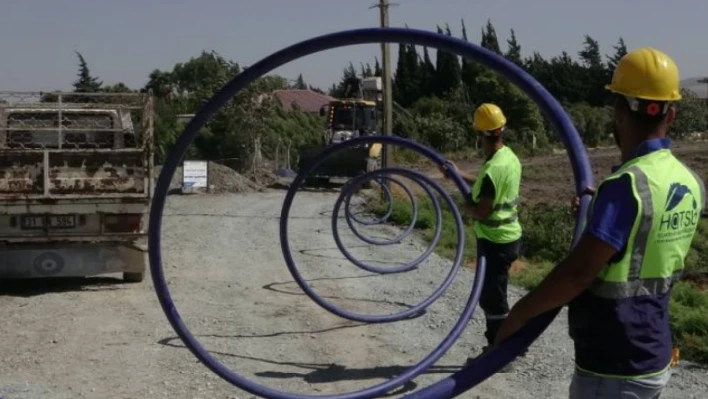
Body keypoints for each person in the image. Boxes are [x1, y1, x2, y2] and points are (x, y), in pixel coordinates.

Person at [494, 47, 705, 398]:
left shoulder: (627, 186)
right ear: (671, 113)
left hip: (614, 365)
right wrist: (596, 219)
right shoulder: (690, 180)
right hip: (652, 352)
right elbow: (638, 243)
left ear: (619, 112)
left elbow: (577, 275)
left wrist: (518, 315)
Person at [440, 103, 524, 363]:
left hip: (497, 241)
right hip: (508, 237)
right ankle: (509, 346)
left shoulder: (492, 169)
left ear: (480, 135)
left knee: (493, 299)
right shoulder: (507, 157)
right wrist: (456, 174)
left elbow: (484, 210)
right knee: (494, 295)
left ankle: (501, 353)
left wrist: (464, 208)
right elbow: (486, 185)